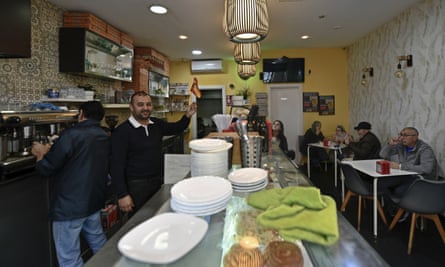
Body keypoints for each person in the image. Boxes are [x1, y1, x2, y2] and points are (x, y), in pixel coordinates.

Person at [32, 101, 110, 267]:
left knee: (69, 257)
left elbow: (47, 168)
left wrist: (40, 155)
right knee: (99, 242)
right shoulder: (104, 134)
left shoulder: (71, 134)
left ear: (81, 114)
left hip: (69, 205)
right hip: (93, 200)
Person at [111, 91, 197, 213]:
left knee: (159, 214)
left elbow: (176, 127)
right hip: (136, 187)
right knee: (140, 222)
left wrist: (188, 115)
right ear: (131, 107)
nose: (145, 108)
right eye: (140, 105)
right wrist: (122, 194)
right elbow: (116, 166)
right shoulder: (122, 132)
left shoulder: (156, 124)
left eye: (148, 104)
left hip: (158, 182)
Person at [379, 127, 438, 195]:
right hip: (406, 176)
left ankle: (397, 204)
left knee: (398, 191)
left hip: (421, 180)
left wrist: (400, 166)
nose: (402, 137)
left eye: (405, 135)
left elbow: (426, 169)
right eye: (401, 135)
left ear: (415, 137)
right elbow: (382, 155)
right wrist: (390, 145)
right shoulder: (402, 146)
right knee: (382, 184)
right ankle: (386, 205)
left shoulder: (425, 149)